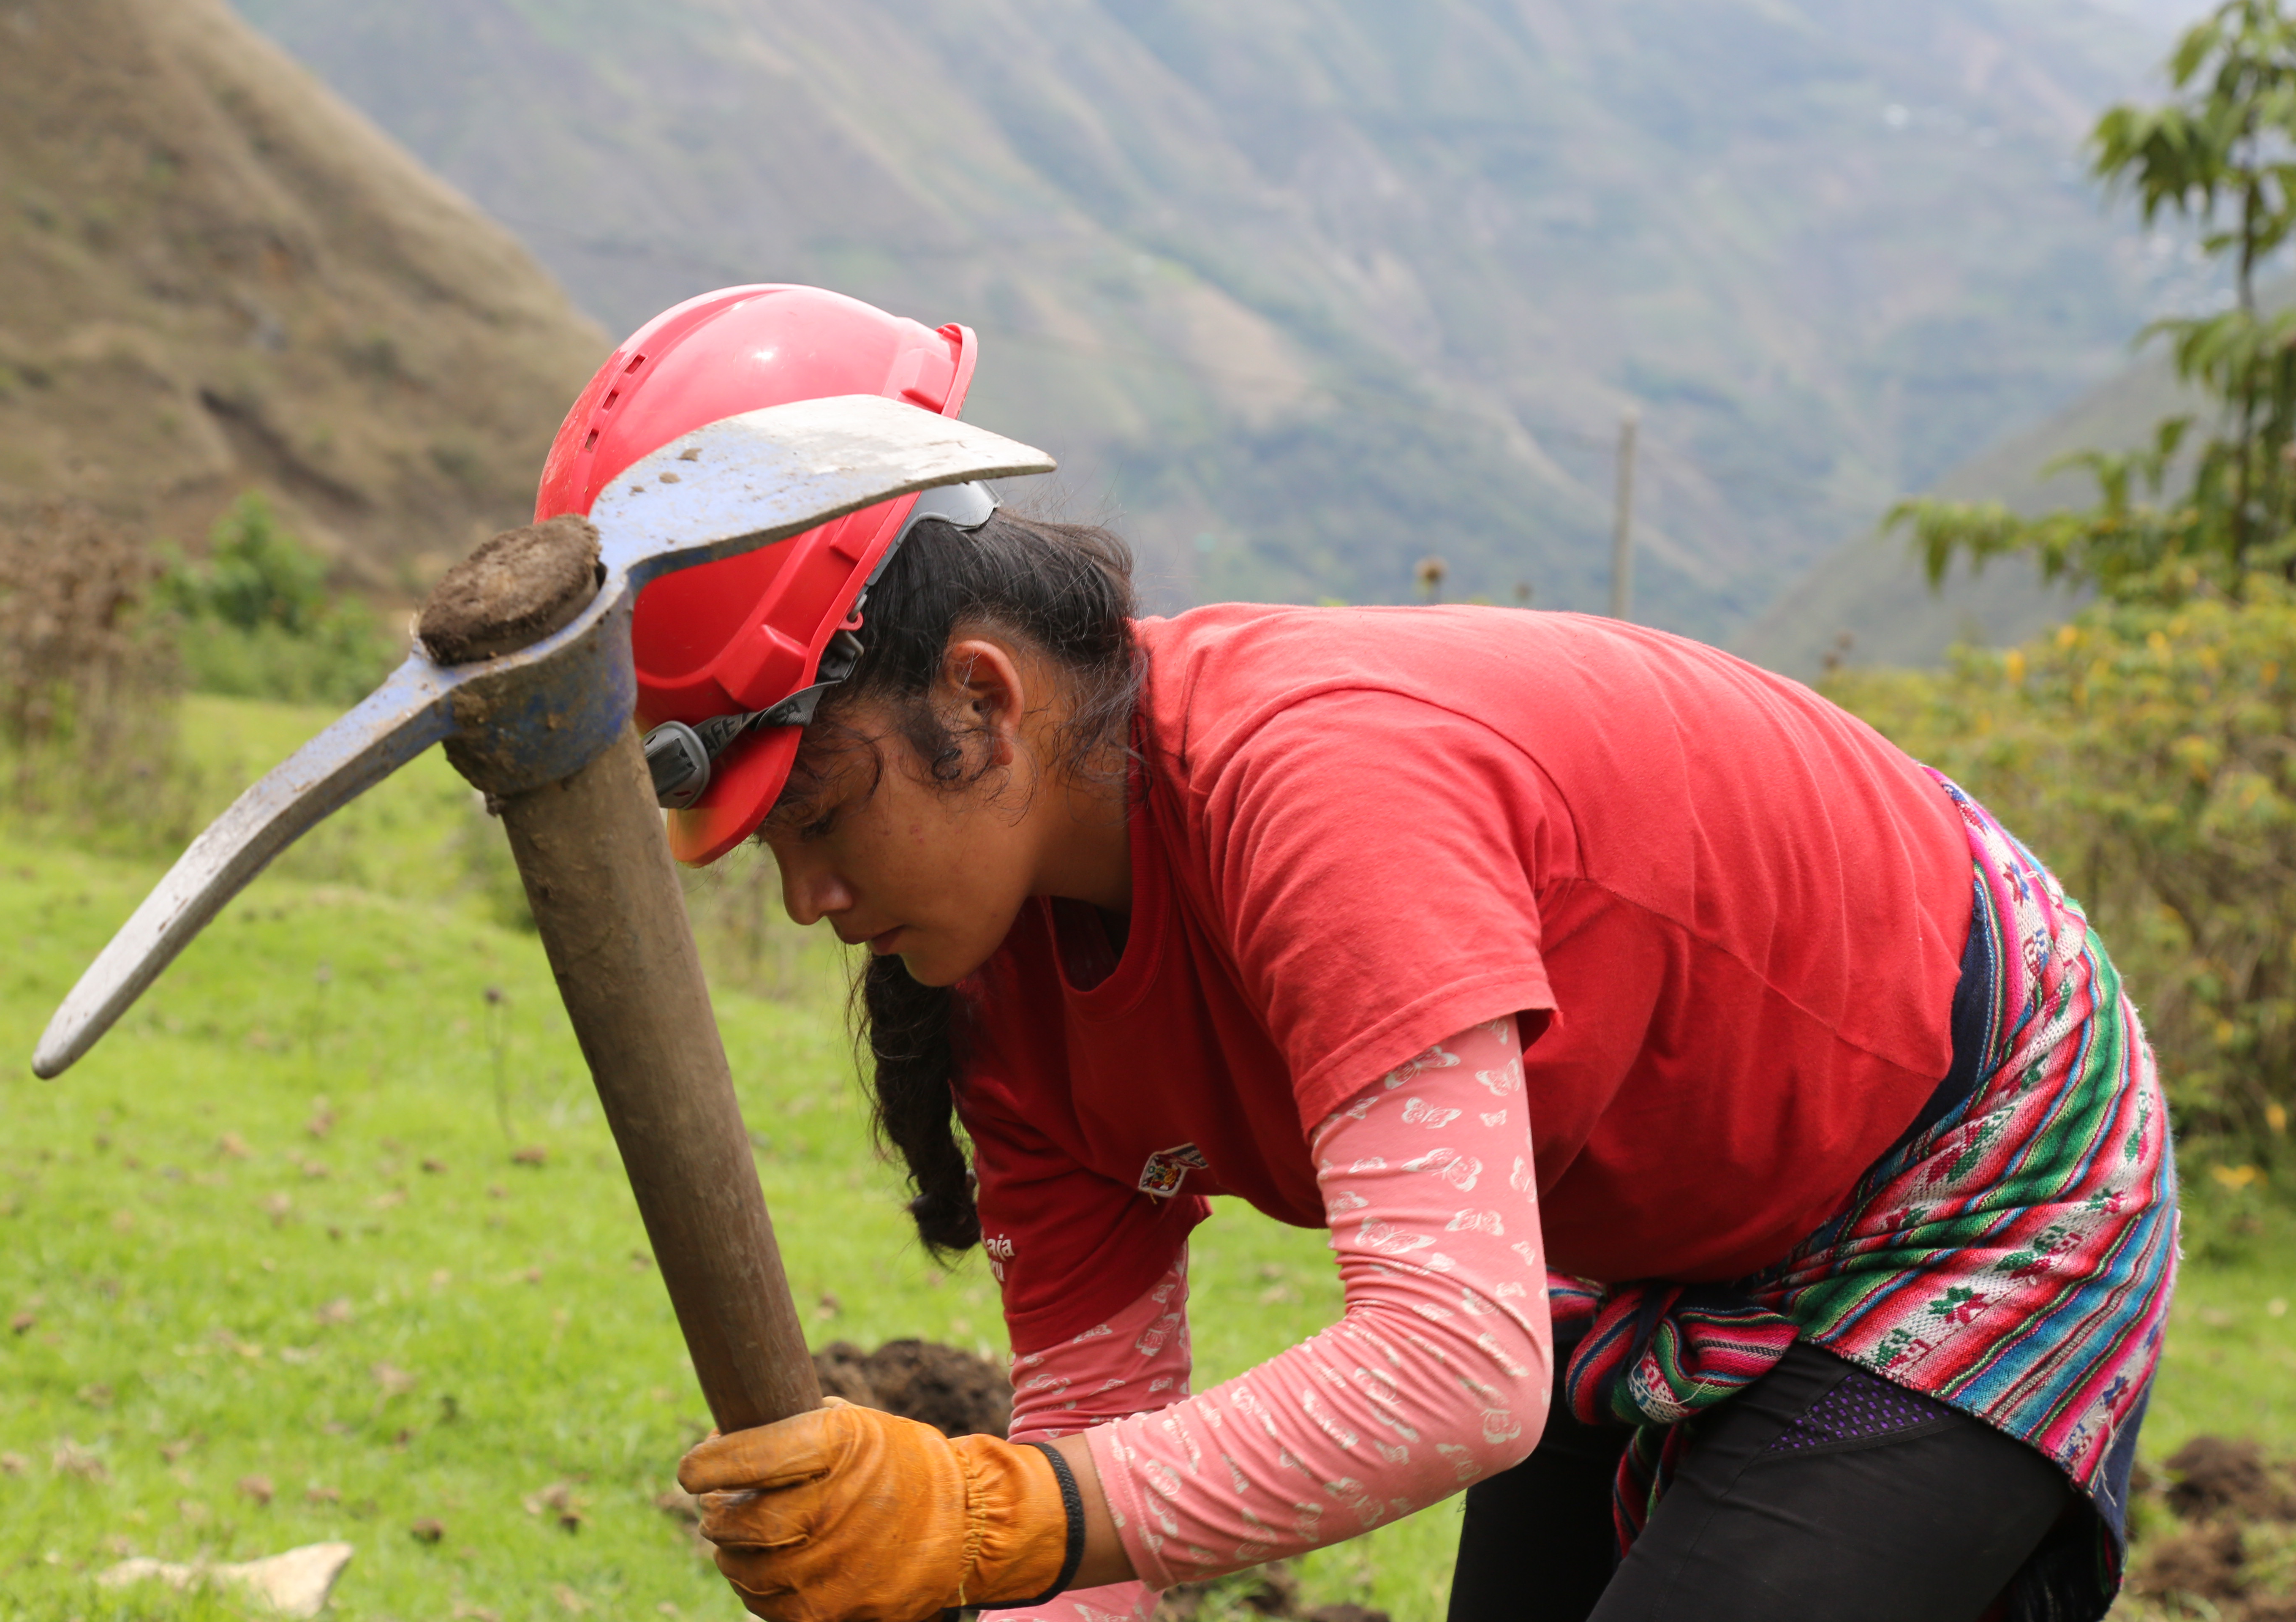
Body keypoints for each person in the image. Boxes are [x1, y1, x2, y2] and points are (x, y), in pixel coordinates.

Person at [536, 284, 2179, 1622]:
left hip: (1967, 1155)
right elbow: (1098, 1444)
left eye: (821, 813)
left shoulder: (1322, 797)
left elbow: (1456, 1368)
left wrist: (989, 1514)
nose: (807, 897)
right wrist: (1012, 1541)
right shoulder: (999, 989)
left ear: (982, 696)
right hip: (1647, 1208)